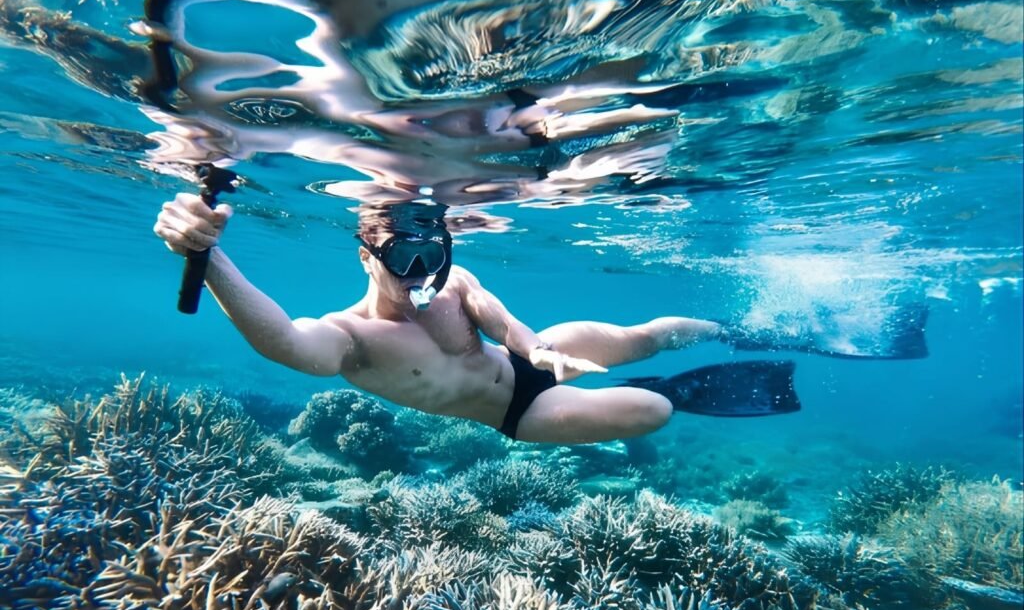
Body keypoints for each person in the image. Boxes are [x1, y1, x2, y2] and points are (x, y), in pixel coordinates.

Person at [151, 196, 810, 444]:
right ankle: (685, 388)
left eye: (429, 255)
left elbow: (496, 315)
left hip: (527, 359)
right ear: (365, 255)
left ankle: (744, 331)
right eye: (400, 257)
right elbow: (285, 343)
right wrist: (210, 261)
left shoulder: (450, 280)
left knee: (641, 336)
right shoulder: (351, 338)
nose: (418, 272)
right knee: (651, 411)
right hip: (516, 414)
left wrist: (533, 346)